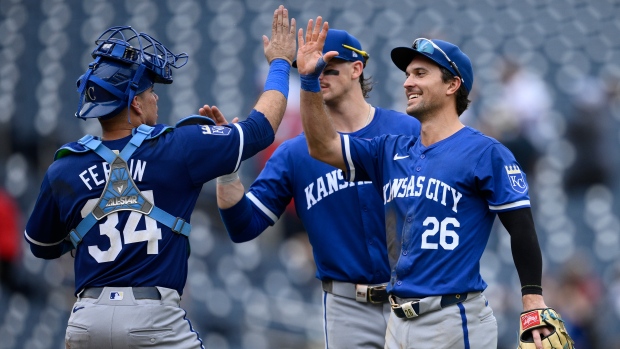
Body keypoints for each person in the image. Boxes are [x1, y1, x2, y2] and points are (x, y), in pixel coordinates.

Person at [23, 6, 296, 348]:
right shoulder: (178, 146)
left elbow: (41, 247)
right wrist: (281, 62)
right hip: (151, 318)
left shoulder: (63, 167)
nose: (155, 97)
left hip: (85, 321)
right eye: (150, 90)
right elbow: (261, 128)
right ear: (135, 103)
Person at [295, 18, 564, 349]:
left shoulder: (485, 152)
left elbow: (522, 227)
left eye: (420, 74)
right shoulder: (389, 150)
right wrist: (308, 81)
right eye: (407, 74)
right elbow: (323, 146)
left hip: (453, 318)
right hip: (398, 322)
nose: (407, 82)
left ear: (452, 85)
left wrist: (532, 301)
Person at [216, 28, 420, 348]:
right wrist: (227, 174)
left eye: (328, 67)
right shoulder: (294, 153)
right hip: (348, 308)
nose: (317, 75)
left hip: (415, 295)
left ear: (357, 69)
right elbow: (244, 226)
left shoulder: (408, 131)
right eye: (310, 69)